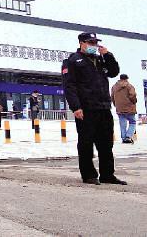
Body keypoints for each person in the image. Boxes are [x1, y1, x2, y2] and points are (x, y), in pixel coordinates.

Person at [62, 32, 126, 185]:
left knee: (106, 143)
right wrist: (76, 107)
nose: (94, 45)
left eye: (95, 43)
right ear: (82, 43)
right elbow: (69, 86)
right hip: (86, 109)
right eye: (90, 42)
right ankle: (89, 175)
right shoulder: (73, 61)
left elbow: (114, 72)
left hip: (103, 107)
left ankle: (107, 175)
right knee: (86, 143)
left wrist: (108, 55)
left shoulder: (100, 59)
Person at [111, 74, 137, 144]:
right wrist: (134, 102)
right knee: (132, 122)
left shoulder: (114, 87)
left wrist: (116, 105)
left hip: (119, 108)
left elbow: (112, 97)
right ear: (126, 79)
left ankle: (123, 138)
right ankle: (128, 136)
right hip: (129, 107)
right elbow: (133, 95)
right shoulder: (129, 86)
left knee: (122, 124)